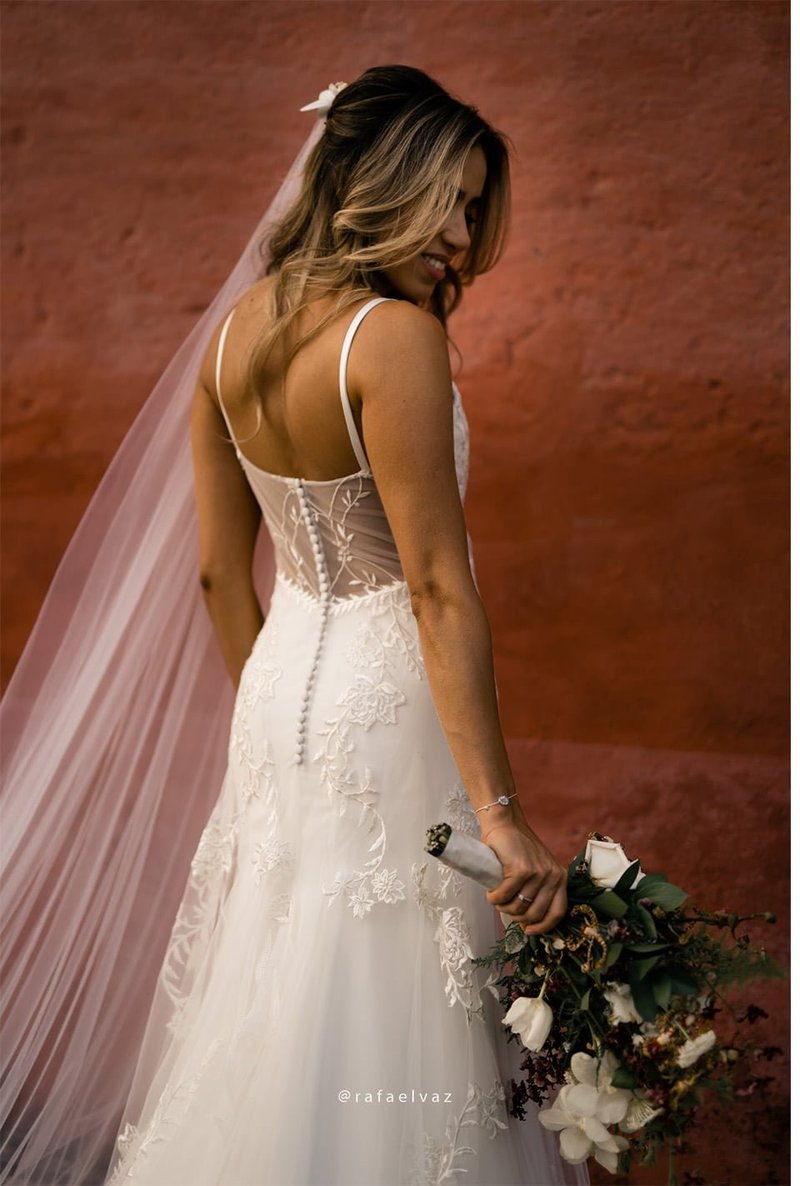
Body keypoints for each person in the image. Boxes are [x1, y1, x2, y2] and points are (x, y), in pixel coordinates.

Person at [2, 68, 584, 1185]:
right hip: (386, 694)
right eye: (449, 204)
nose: (464, 238)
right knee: (388, 979)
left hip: (277, 697)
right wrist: (503, 819)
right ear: (377, 185)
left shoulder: (230, 340)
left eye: (473, 208)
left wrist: (281, 741)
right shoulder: (394, 338)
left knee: (284, 969)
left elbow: (225, 577)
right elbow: (435, 589)